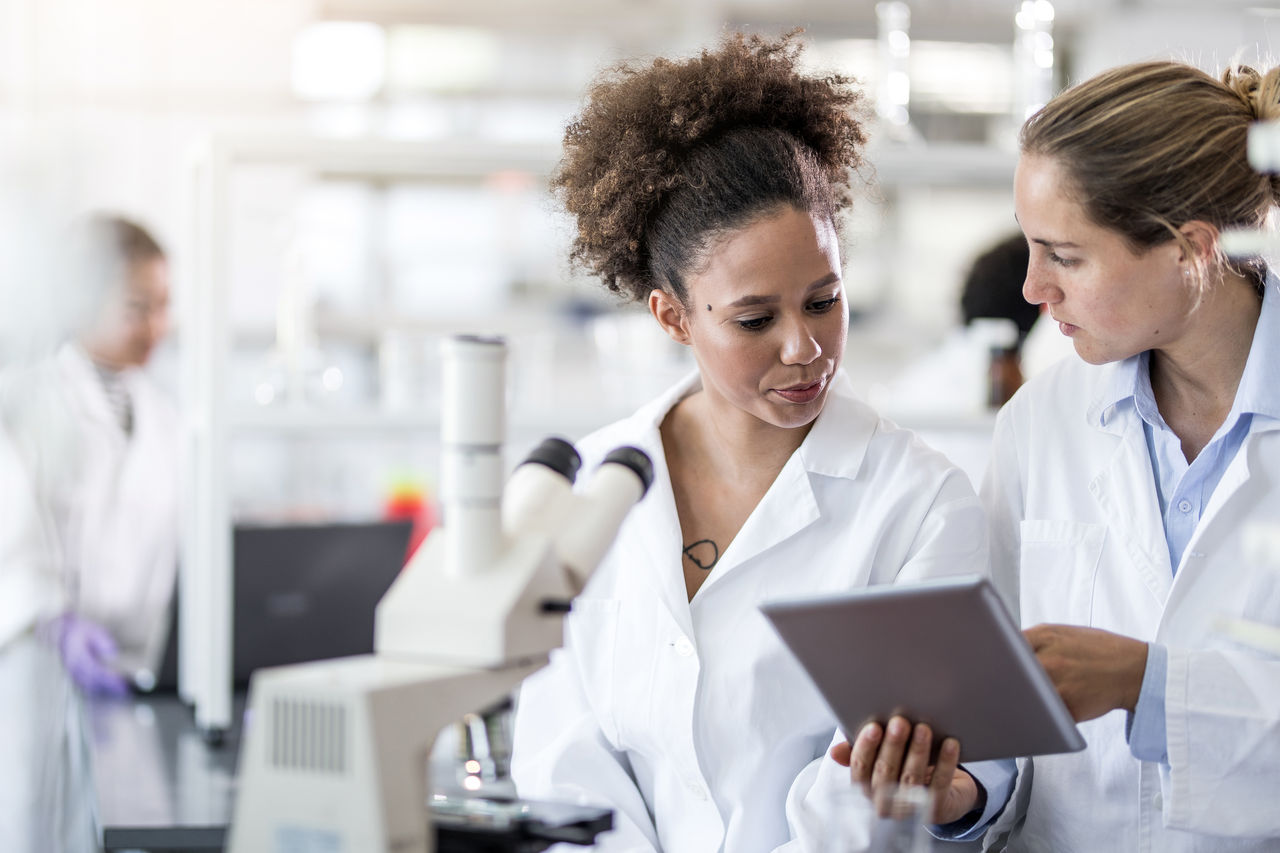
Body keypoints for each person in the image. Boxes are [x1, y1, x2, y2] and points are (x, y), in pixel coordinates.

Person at [510, 33, 993, 852]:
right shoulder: (591, 489)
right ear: (672, 316)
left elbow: (870, 784)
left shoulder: (919, 502)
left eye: (824, 299)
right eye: (755, 319)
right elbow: (564, 760)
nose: (804, 346)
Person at [839, 59, 1280, 851]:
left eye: (1065, 256)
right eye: (1030, 249)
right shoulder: (1042, 423)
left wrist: (1145, 683)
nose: (1035, 288)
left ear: (1191, 249)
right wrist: (958, 795)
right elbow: (1006, 724)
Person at [1, 214, 180, 696]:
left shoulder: (165, 417)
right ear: (80, 302)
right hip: (33, 681)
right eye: (137, 307)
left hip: (134, 678)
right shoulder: (22, 407)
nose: (157, 326)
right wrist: (51, 623)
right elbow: (11, 554)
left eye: (164, 305)